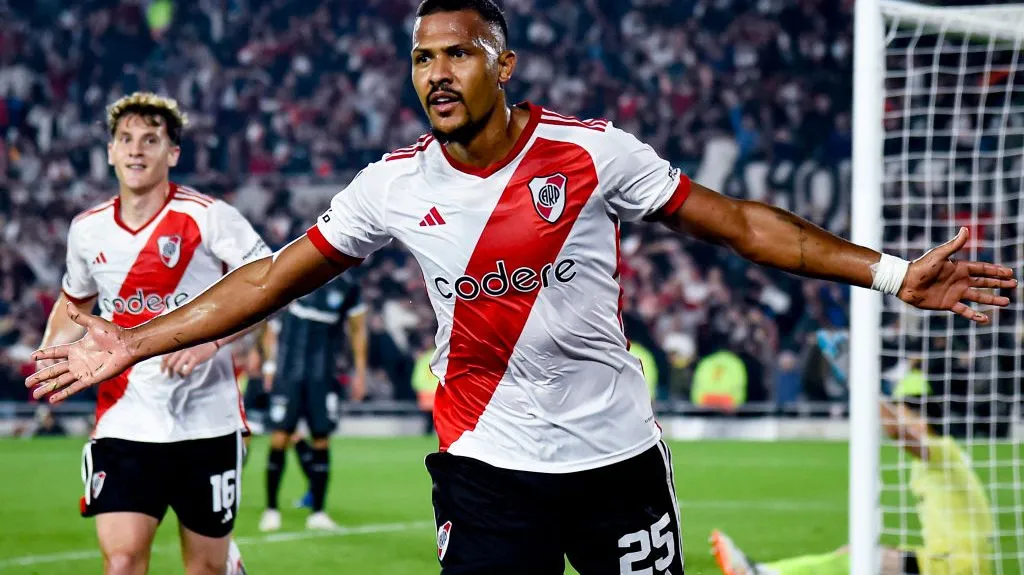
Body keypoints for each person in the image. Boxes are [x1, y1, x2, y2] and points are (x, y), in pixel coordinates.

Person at [28, 1, 1016, 573]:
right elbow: (271, 276)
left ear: (503, 61)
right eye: (422, 56)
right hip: (487, 469)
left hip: (617, 460)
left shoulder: (592, 154)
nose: (437, 72)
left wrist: (890, 273)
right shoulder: (391, 185)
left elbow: (745, 222)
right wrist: (131, 339)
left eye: (458, 52)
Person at [36, 92, 269, 575]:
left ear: (173, 153)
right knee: (121, 563)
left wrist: (213, 340)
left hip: (207, 419)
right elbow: (73, 301)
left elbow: (267, 286)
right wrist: (50, 351)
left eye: (150, 139)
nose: (136, 149)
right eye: (125, 139)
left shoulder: (209, 217)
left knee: (204, 569)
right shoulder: (87, 229)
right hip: (126, 418)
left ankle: (227, 561)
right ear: (110, 151)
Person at [710, 388, 996, 575]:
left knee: (856, 561)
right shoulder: (936, 459)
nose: (894, 421)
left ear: (922, 423)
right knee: (857, 556)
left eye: (903, 415)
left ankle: (758, 572)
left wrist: (864, 384)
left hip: (956, 566)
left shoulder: (942, 449)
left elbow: (899, 433)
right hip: (943, 560)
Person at [258, 273, 368, 532]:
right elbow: (270, 325)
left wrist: (360, 372)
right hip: (289, 374)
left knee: (321, 439)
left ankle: (318, 512)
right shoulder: (300, 273)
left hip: (323, 376)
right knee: (280, 437)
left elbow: (358, 329)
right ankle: (271, 508)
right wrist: (270, 366)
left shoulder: (349, 285)